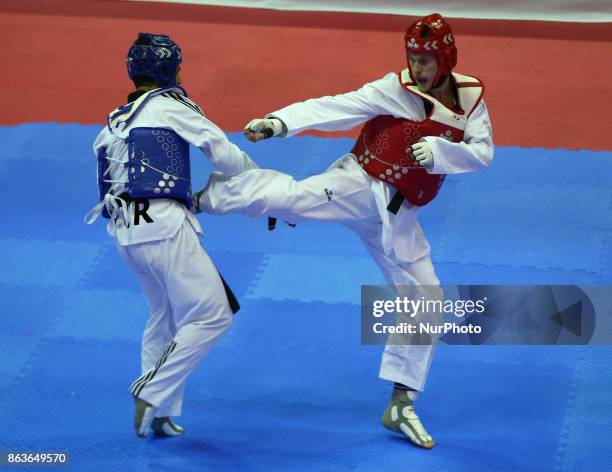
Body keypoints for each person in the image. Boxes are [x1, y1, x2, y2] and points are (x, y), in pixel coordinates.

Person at [193, 13, 493, 448]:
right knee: (293, 199)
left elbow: (482, 152)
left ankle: (401, 404)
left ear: (446, 58)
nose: (417, 68)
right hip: (359, 184)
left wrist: (442, 151)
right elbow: (336, 106)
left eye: (425, 60)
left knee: (427, 298)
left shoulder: (471, 99)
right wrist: (279, 122)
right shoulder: (395, 88)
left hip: (398, 215)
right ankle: (208, 198)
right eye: (412, 58)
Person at [85, 33, 258, 437]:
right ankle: (152, 389)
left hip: (126, 234)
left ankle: (157, 414)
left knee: (163, 316)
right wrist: (261, 184)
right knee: (213, 315)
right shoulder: (169, 106)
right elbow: (220, 149)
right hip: (163, 227)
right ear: (168, 71)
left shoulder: (113, 122)